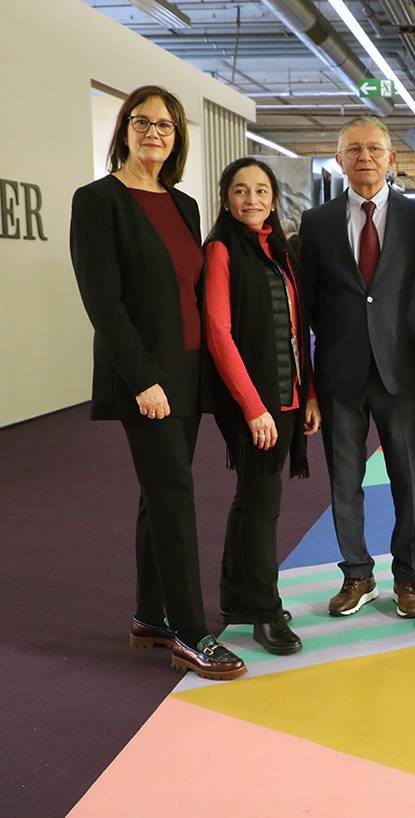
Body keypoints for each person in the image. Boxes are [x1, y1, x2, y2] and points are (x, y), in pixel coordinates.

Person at [69, 85, 245, 680]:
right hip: (146, 377)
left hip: (190, 370)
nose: (154, 133)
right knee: (173, 495)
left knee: (160, 490)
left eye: (166, 126)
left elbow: (192, 291)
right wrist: (142, 377)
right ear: (123, 129)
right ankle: (191, 634)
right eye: (142, 122)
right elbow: (103, 301)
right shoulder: (98, 201)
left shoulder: (184, 205)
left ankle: (150, 616)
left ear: (177, 138)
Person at [298, 117, 415, 620]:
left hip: (400, 369)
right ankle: (357, 574)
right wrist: (309, 383)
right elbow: (305, 306)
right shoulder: (316, 223)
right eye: (353, 150)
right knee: (344, 480)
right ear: (339, 160)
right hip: (339, 373)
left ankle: (407, 575)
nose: (365, 158)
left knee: (408, 479)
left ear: (392, 158)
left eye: (375, 149)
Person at [204, 158, 320, 655]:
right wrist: (253, 407)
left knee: (252, 499)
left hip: (289, 396)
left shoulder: (280, 250)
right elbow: (219, 333)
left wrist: (309, 392)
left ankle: (239, 597)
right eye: (240, 191)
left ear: (273, 197)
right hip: (254, 403)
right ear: (226, 198)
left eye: (260, 190)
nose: (251, 200)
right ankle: (265, 612)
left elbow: (299, 330)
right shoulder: (221, 250)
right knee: (263, 507)